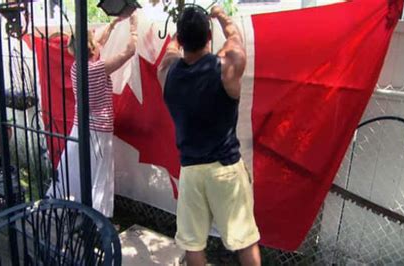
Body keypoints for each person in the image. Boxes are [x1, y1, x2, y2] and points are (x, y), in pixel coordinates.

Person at [157, 6, 262, 266]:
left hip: (191, 172)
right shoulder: (227, 65)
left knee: (193, 245)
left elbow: (169, 53)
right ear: (208, 37)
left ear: (181, 40)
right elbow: (236, 39)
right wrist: (221, 16)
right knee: (245, 241)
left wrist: (175, 33)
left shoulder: (166, 73)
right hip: (225, 169)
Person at [48, 13, 138, 218]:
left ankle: (71, 205)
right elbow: (129, 51)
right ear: (92, 48)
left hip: (81, 126)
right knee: (100, 173)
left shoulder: (76, 67)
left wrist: (114, 23)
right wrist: (134, 27)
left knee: (77, 168)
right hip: (99, 130)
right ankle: (98, 218)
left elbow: (96, 41)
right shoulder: (99, 68)